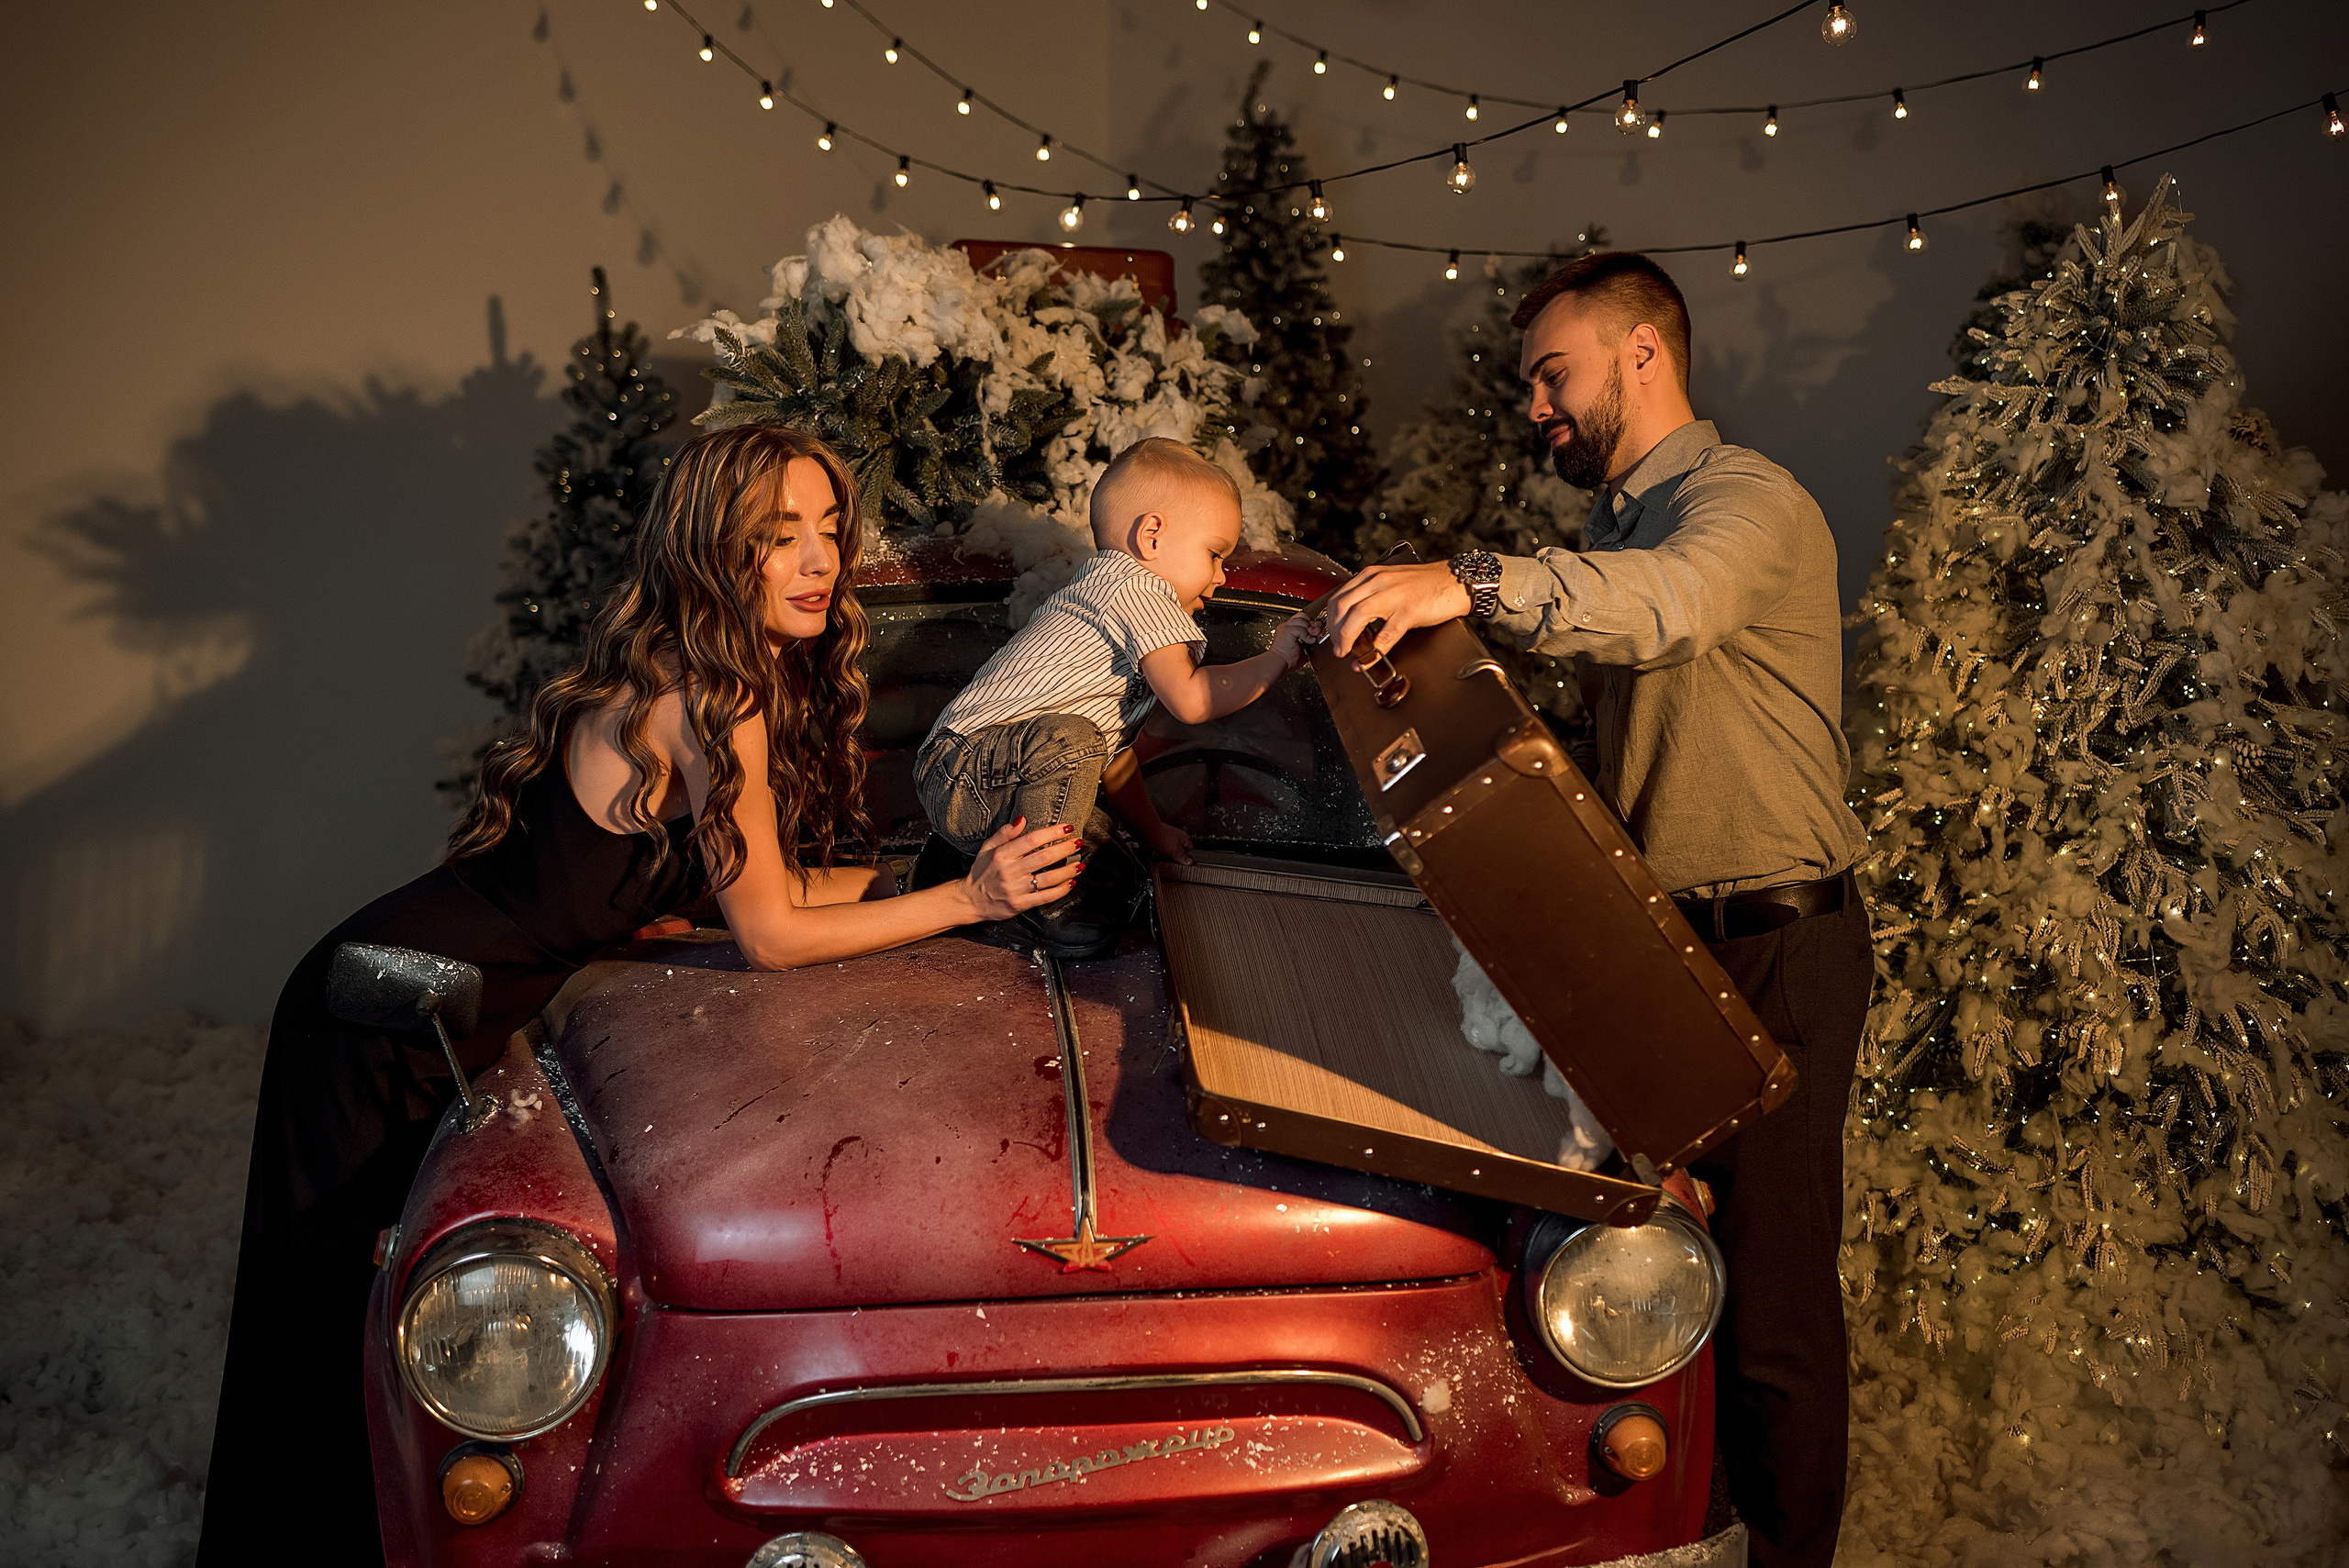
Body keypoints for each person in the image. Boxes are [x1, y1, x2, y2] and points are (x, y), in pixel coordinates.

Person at [196, 424, 1080, 1564]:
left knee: (377, 1325)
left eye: (827, 531)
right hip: (385, 1009)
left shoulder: (700, 675)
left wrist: (924, 873)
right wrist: (968, 903)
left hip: (434, 988)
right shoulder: (716, 701)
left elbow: (747, 887)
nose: (818, 560)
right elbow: (768, 935)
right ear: (720, 548)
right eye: (780, 536)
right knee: (342, 1326)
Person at [1321, 252, 1870, 1568]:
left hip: (1779, 944)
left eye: (1551, 375)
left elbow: (1673, 610)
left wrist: (1475, 581)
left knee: (1777, 1315)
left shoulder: (1747, 503)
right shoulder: (1618, 535)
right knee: (1663, 1275)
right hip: (1668, 946)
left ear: (1642, 354)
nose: (1535, 409)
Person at [914, 437, 1309, 957]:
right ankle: (1045, 901)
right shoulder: (1137, 589)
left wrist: (1156, 832)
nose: (1219, 577)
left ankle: (950, 867)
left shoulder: (1105, 603)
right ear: (1151, 536)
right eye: (1215, 553)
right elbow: (1192, 702)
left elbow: (1114, 759)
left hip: (980, 780)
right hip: (965, 766)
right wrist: (1277, 658)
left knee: (1112, 864)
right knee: (1072, 741)